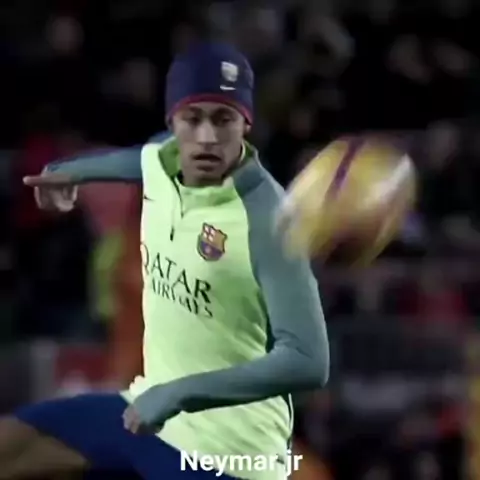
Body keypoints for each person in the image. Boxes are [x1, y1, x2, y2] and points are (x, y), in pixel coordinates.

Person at [6, 42, 329, 479]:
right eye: (192, 119)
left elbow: (308, 361)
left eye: (224, 120)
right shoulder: (169, 163)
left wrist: (179, 393)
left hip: (223, 443)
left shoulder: (267, 222)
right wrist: (70, 172)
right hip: (141, 410)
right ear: (173, 124)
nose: (207, 137)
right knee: (13, 444)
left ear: (245, 125)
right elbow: (139, 160)